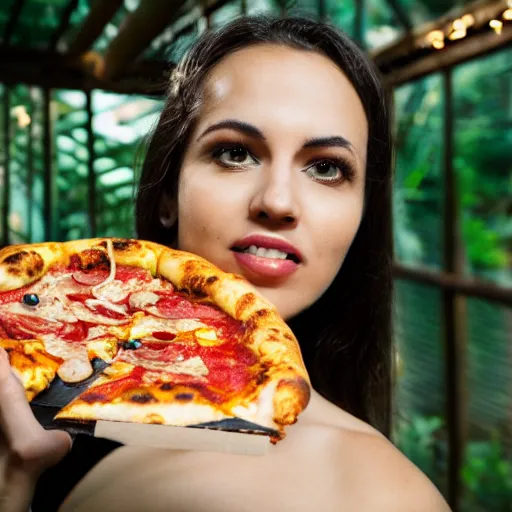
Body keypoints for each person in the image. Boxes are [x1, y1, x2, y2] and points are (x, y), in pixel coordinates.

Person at [0, 15, 451, 512]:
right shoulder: (28, 363)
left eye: (326, 168)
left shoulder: (384, 495)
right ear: (169, 191)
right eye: (235, 153)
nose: (277, 201)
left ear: (363, 214)